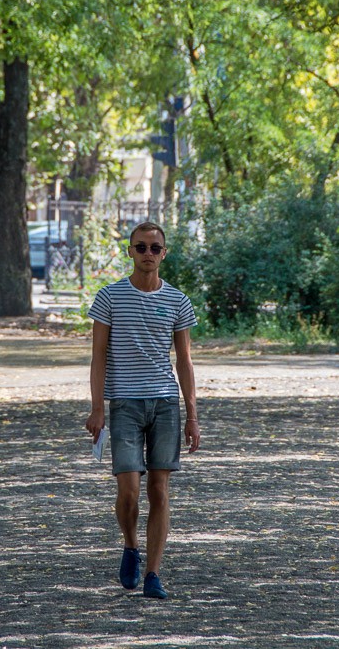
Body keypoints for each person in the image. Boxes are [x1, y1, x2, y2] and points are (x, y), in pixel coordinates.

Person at [85, 221, 200, 599]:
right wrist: (97, 408)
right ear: (130, 251)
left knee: (159, 490)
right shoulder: (110, 297)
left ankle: (153, 573)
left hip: (165, 404)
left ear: (164, 253)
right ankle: (131, 545)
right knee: (129, 490)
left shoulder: (178, 300)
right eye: (140, 247)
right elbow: (98, 355)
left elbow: (184, 360)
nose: (147, 253)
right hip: (125, 404)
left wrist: (192, 416)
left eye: (154, 248)